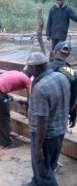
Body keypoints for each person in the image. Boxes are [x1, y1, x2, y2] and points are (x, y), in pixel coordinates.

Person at [25, 52, 70, 186]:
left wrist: (38, 147)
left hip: (45, 136)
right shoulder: (61, 77)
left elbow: (42, 121)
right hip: (60, 131)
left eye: (29, 68)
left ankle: (41, 182)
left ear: (34, 68)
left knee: (44, 172)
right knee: (48, 164)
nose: (29, 71)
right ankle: (36, 182)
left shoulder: (40, 88)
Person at [48, 41, 77, 172]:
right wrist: (73, 114)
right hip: (62, 112)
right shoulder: (72, 73)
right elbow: (74, 98)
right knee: (58, 137)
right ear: (68, 55)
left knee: (44, 139)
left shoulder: (45, 67)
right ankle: (53, 164)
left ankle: (44, 165)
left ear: (54, 52)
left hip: (45, 111)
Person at [0, 70, 31, 148]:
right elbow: (30, 99)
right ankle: (5, 142)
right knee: (3, 117)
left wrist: (6, 96)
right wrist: (28, 109)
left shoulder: (15, 72)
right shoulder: (27, 80)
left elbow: (4, 82)